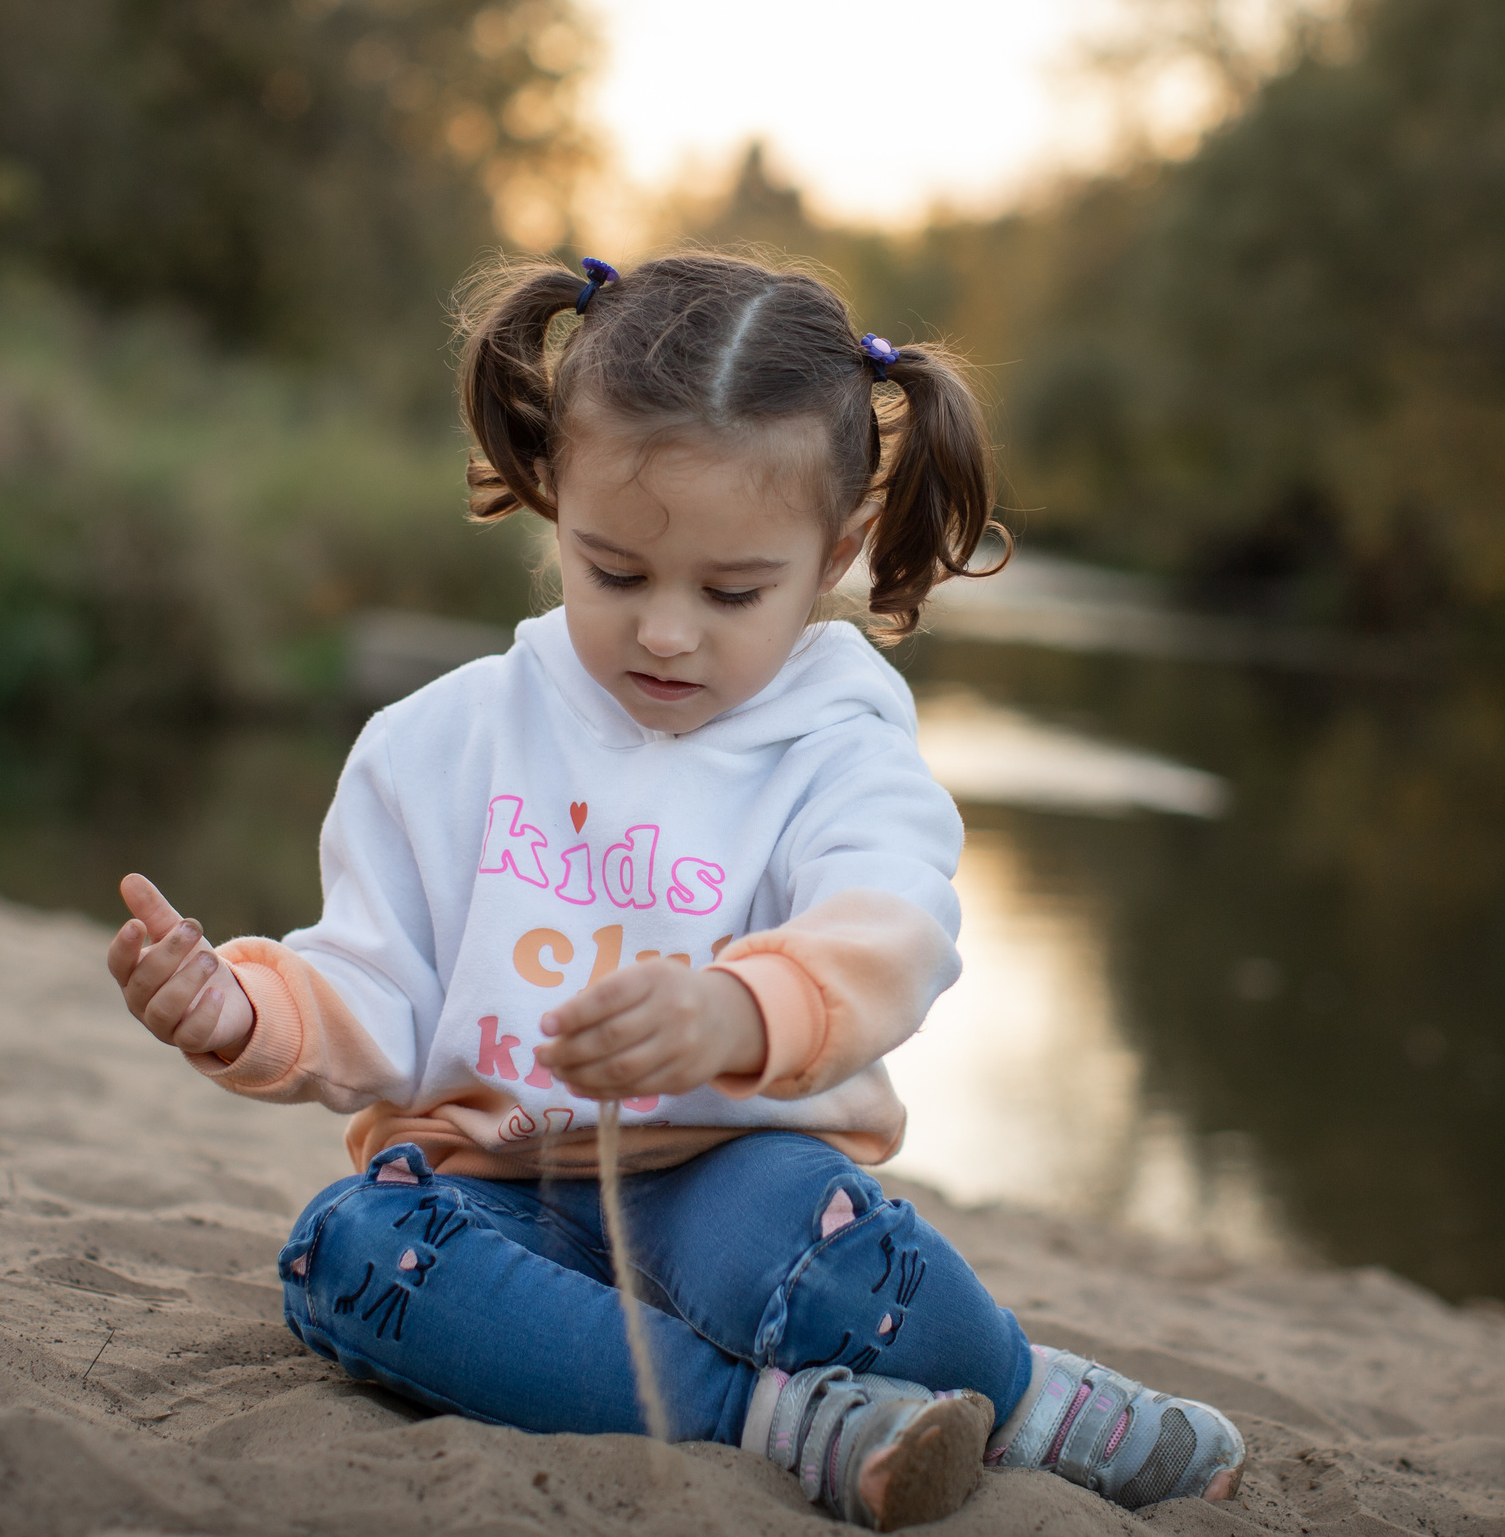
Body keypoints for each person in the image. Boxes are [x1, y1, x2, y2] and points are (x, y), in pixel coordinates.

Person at [104, 251, 1246, 1529]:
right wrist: (243, 1009)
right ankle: (772, 1423)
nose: (664, 632)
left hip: (729, 1176)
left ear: (835, 556)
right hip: (494, 1189)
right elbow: (374, 982)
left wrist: (737, 1012)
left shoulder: (839, 743)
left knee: (839, 1265)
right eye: (616, 572)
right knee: (348, 1258)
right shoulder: (441, 743)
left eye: (731, 592)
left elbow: (897, 921)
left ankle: (1021, 1396)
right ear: (551, 501)